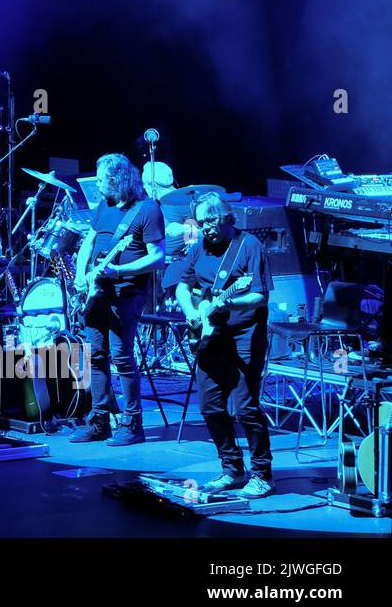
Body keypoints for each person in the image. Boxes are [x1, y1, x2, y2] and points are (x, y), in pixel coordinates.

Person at [176, 193, 275, 497]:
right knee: (209, 406)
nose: (207, 228)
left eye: (212, 221)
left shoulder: (248, 246)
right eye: (202, 222)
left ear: (226, 218)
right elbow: (183, 285)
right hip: (210, 335)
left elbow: (259, 296)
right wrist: (192, 312)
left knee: (245, 407)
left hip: (245, 333)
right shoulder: (198, 249)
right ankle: (232, 469)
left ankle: (262, 473)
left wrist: (227, 303)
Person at [69, 153, 166, 445]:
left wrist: (119, 269)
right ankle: (100, 420)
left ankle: (132, 424)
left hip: (126, 292)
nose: (97, 186)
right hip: (96, 290)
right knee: (96, 355)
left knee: (122, 356)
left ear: (118, 179)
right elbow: (88, 240)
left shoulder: (147, 210)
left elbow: (158, 258)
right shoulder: (104, 205)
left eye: (101, 180)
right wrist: (79, 273)